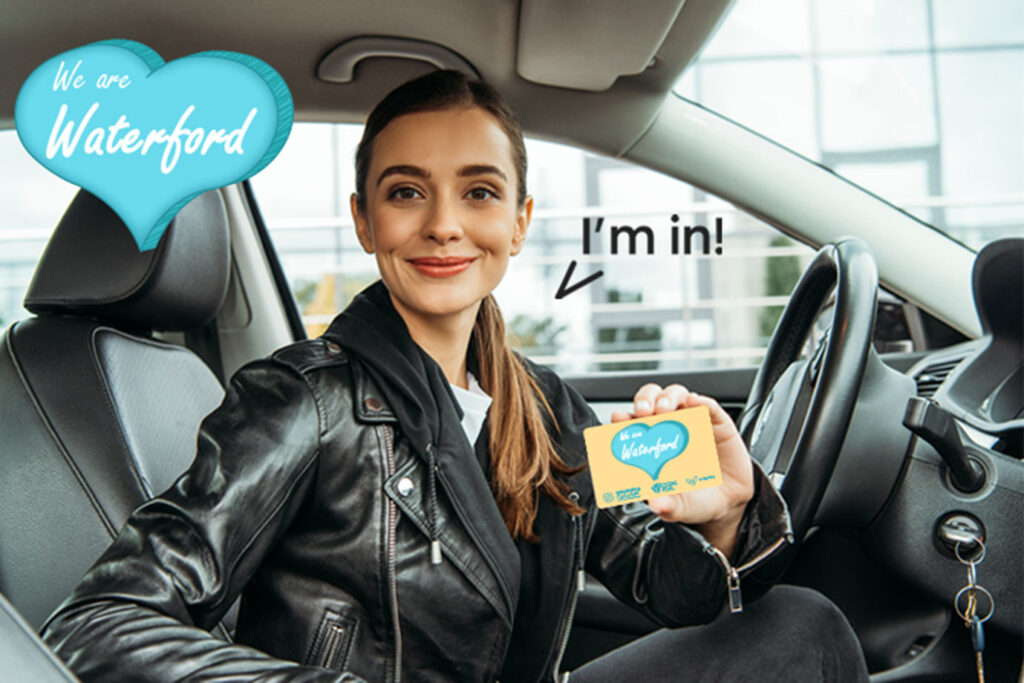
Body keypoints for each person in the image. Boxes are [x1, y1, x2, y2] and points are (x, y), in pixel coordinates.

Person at [41, 69, 869, 682]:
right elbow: (97, 622)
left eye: (478, 191)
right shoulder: (302, 399)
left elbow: (664, 587)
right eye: (406, 193)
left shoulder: (546, 405)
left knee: (802, 624)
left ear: (519, 219)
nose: (443, 225)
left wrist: (720, 518)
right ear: (365, 220)